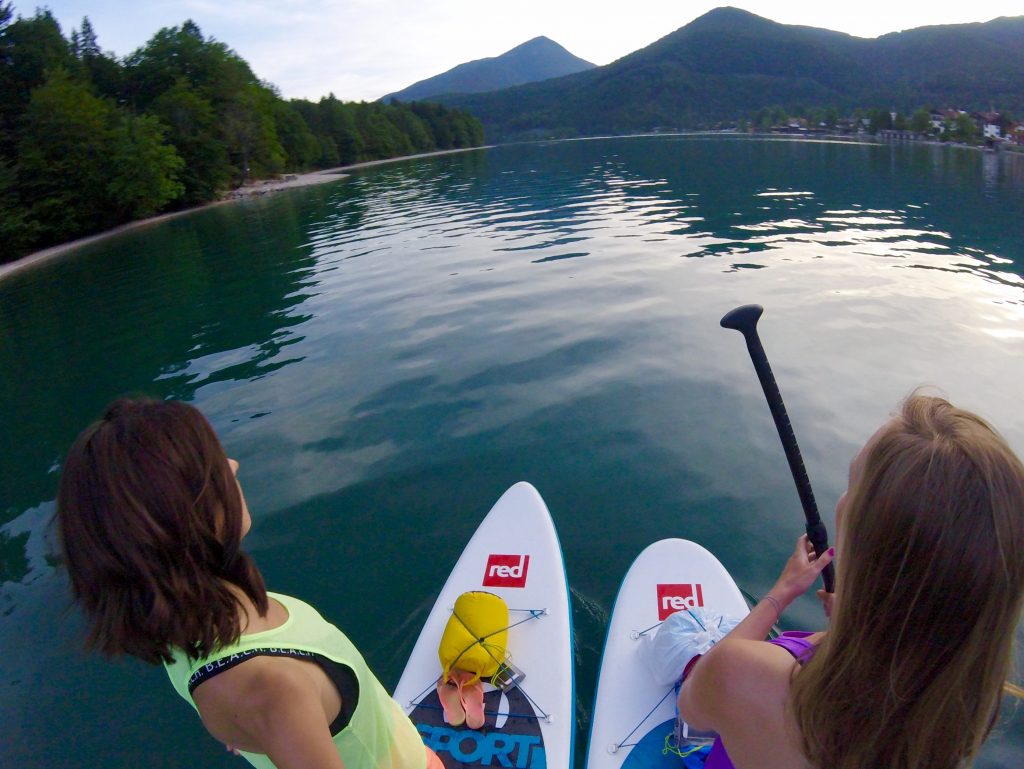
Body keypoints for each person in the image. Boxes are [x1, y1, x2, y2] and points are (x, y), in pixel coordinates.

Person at [56, 397, 442, 769]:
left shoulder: (181, 622)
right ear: (181, 519)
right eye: (211, 467)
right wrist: (266, 715)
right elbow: (252, 697)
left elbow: (233, 699)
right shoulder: (271, 688)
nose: (234, 465)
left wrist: (258, 726)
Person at [677, 394, 1024, 769]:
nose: (843, 499)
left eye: (853, 484)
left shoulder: (744, 675)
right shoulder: (956, 716)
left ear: (867, 546)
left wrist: (781, 594)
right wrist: (853, 621)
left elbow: (692, 710)